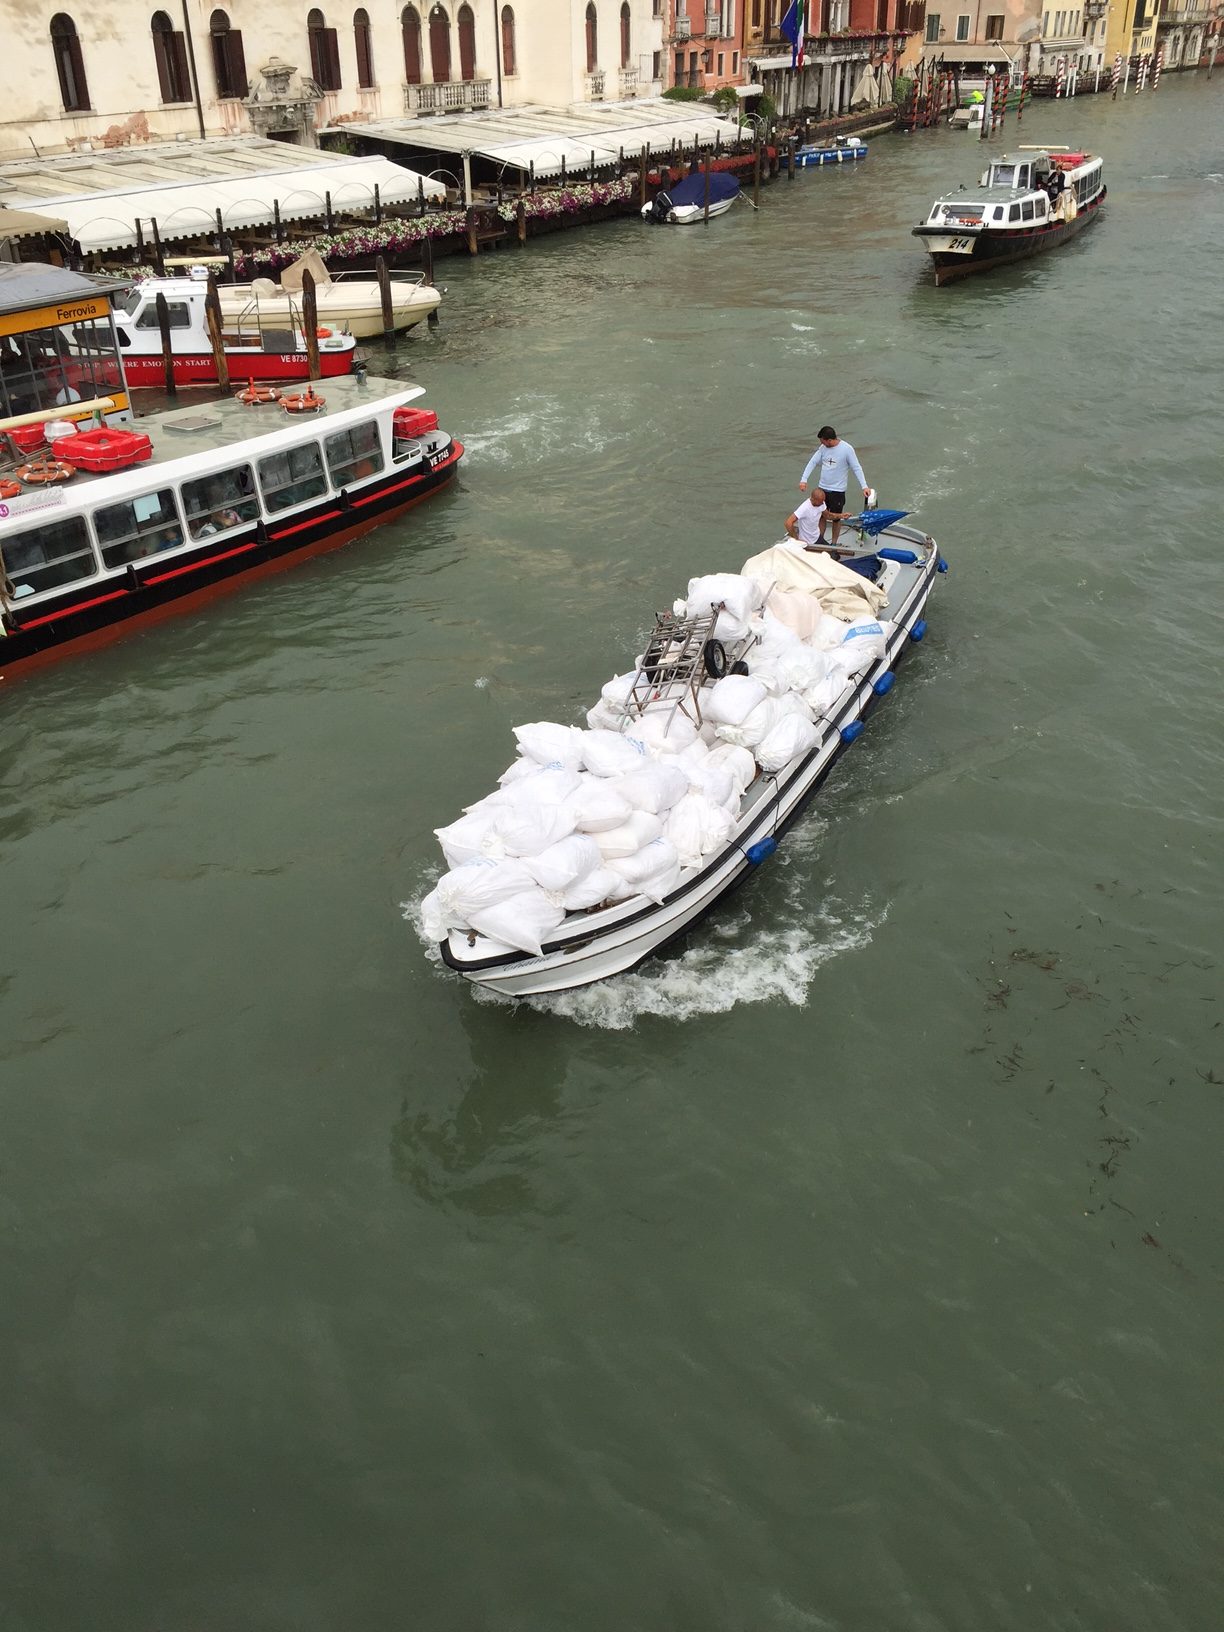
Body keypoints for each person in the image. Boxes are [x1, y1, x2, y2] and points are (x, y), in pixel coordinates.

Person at [799, 426, 872, 551]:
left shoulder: (847, 449)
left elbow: (856, 467)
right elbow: (812, 462)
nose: (821, 444)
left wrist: (864, 486)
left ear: (829, 440)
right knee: (821, 515)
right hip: (822, 489)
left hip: (838, 490)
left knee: (836, 518)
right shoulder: (823, 449)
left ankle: (833, 543)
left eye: (822, 441)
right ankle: (819, 540)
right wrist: (803, 480)